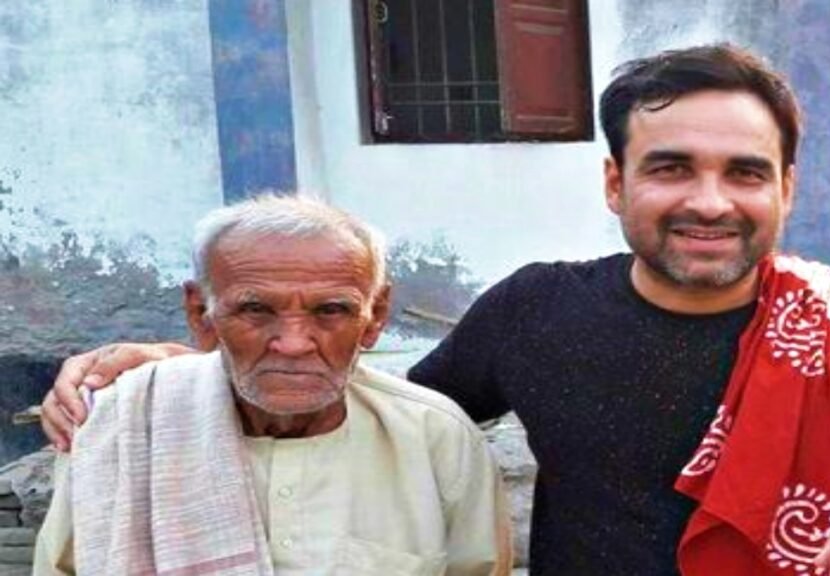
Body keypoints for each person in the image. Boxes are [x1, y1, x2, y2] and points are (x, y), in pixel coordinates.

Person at [41, 44, 830, 575]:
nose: (710, 201)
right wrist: (180, 363)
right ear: (617, 183)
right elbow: (363, 395)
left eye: (744, 172)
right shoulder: (536, 307)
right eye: (670, 167)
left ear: (786, 188)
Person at [33, 195, 511, 575]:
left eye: (331, 311)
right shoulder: (121, 424)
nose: (294, 343)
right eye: (256, 310)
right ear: (202, 313)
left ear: (375, 317)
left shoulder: (434, 436)